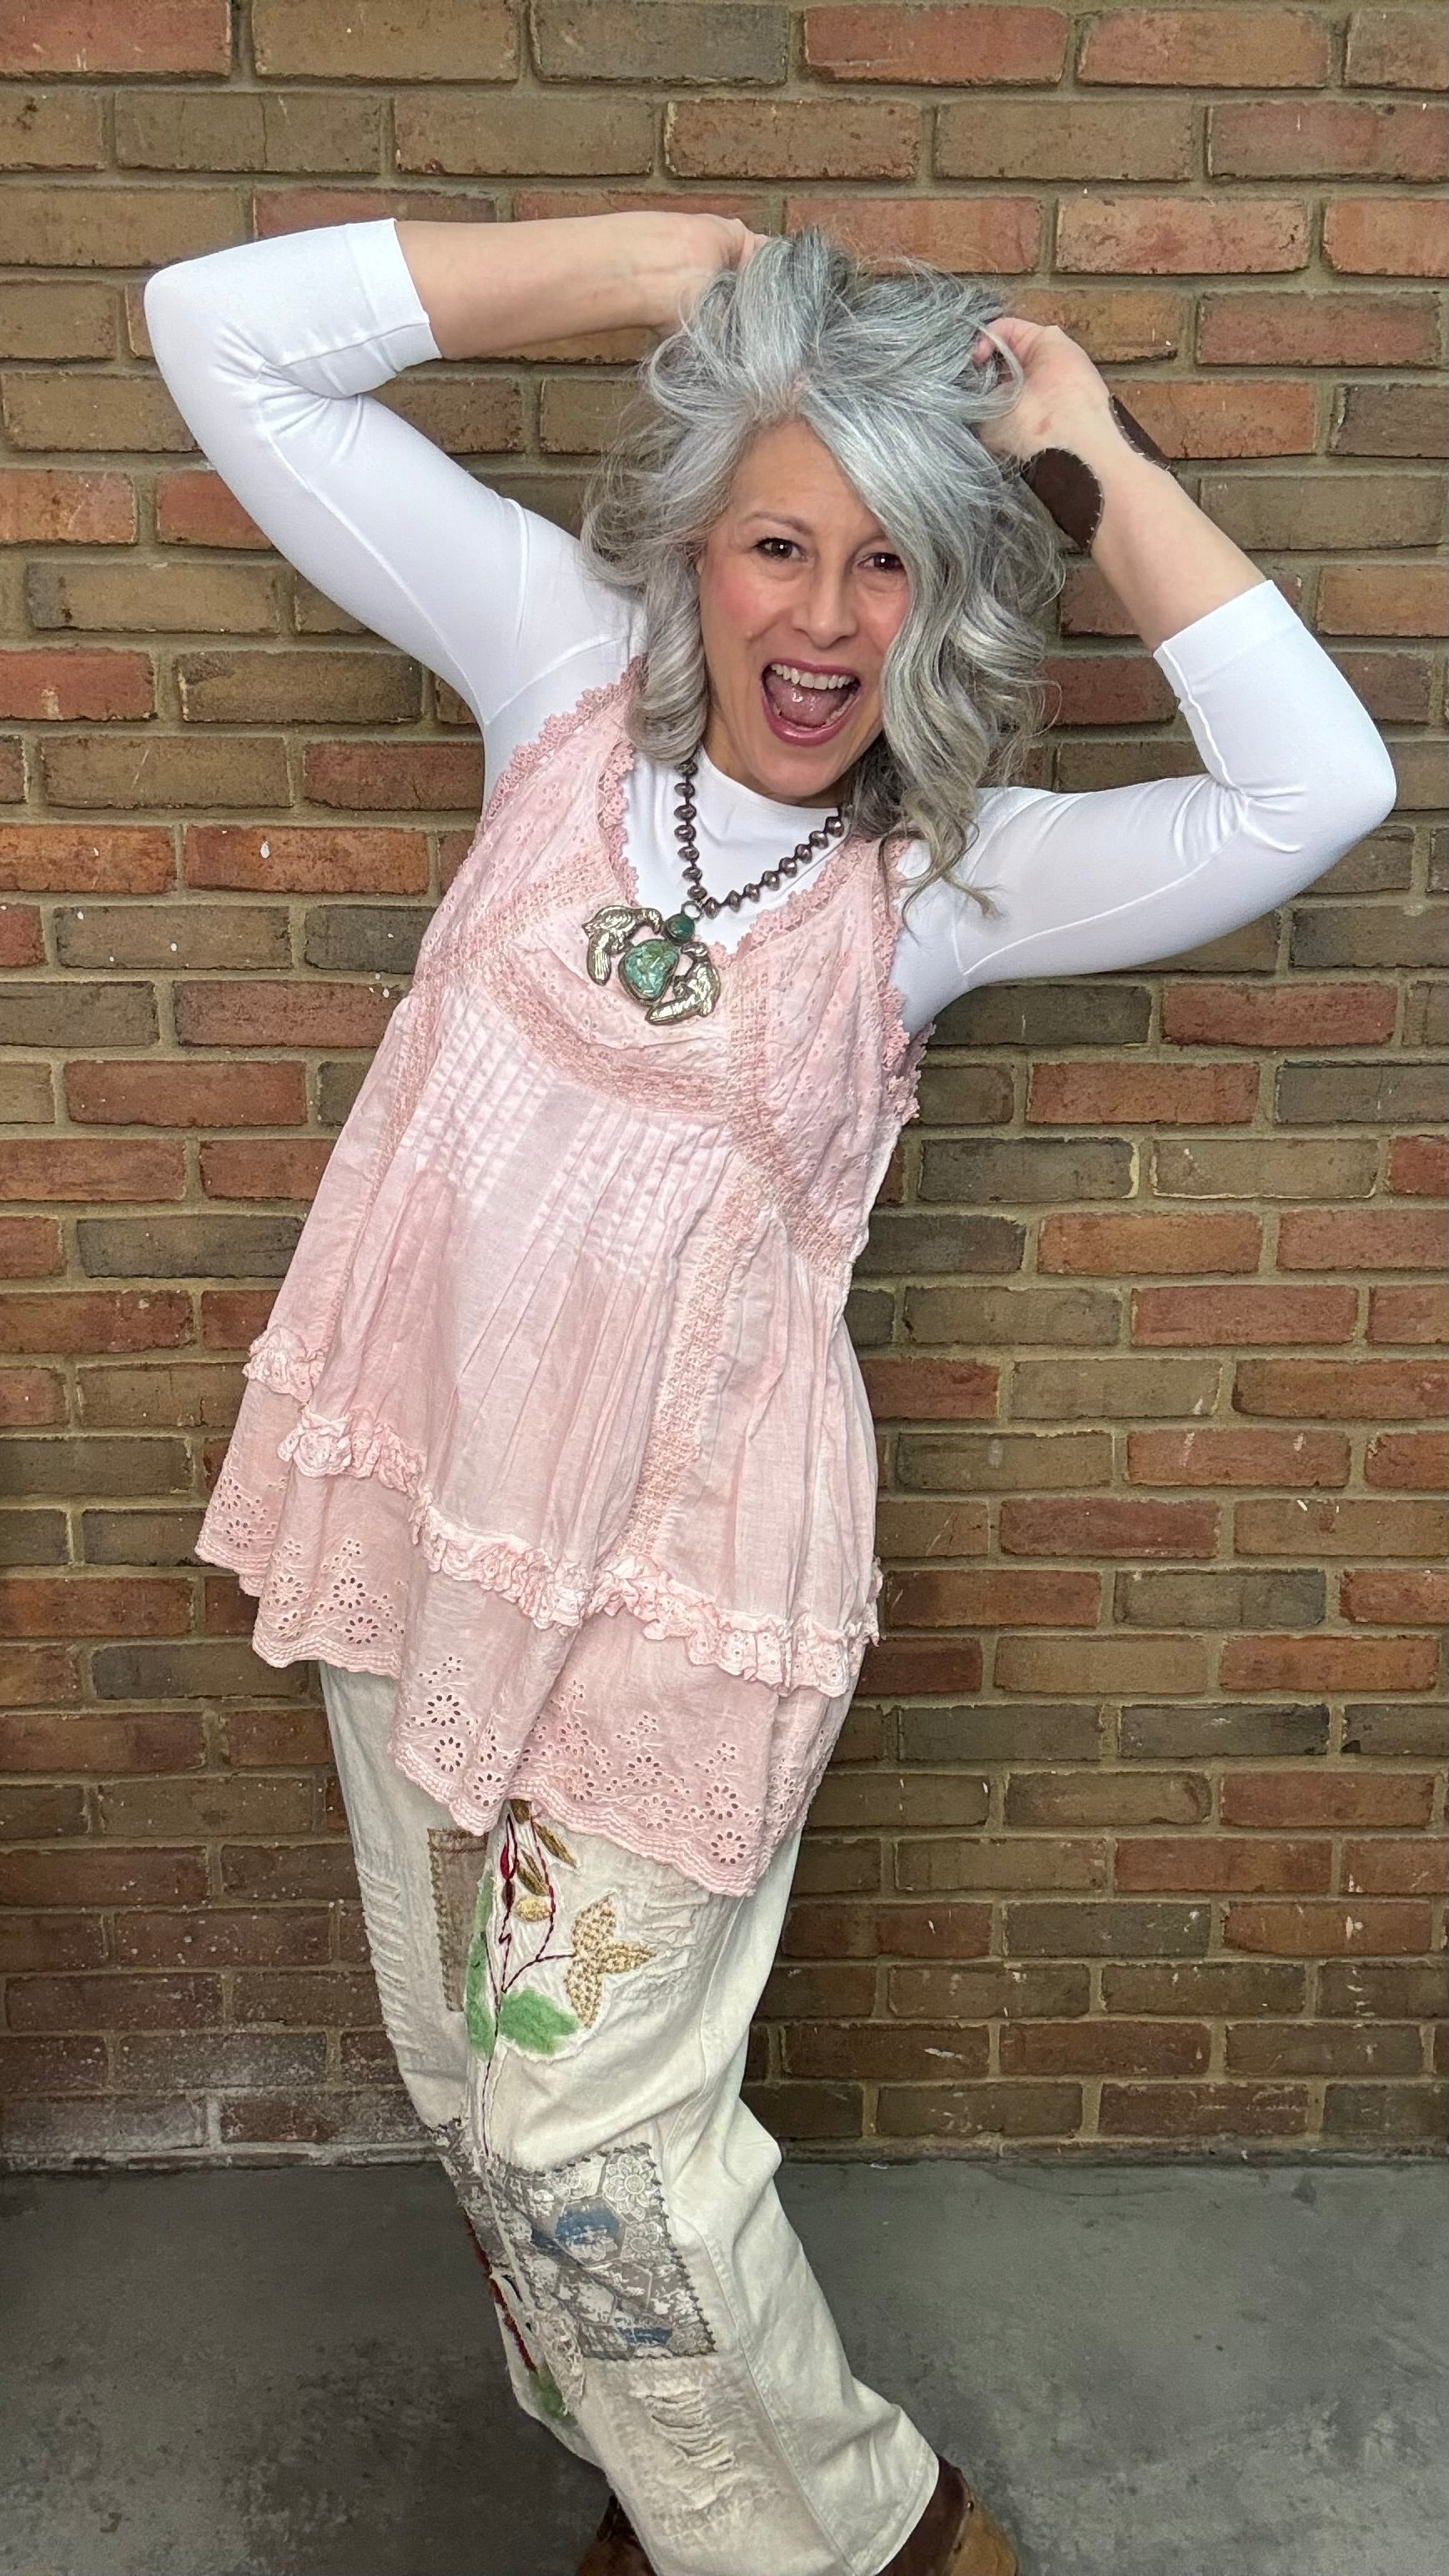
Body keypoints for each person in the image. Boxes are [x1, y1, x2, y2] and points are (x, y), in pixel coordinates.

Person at [142, 209, 1396, 2576]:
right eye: (779, 544)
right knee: (470, 2085)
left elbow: (1309, 791)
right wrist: (664, 271)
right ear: (695, 553)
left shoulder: (945, 887)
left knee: (590, 2133)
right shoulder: (551, 684)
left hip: (680, 1584)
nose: (824, 619)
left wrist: (1087, 451)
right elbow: (218, 336)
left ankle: (866, 2542)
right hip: (424, 1508)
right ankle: (668, 2476)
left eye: (893, 562)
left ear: (957, 595)